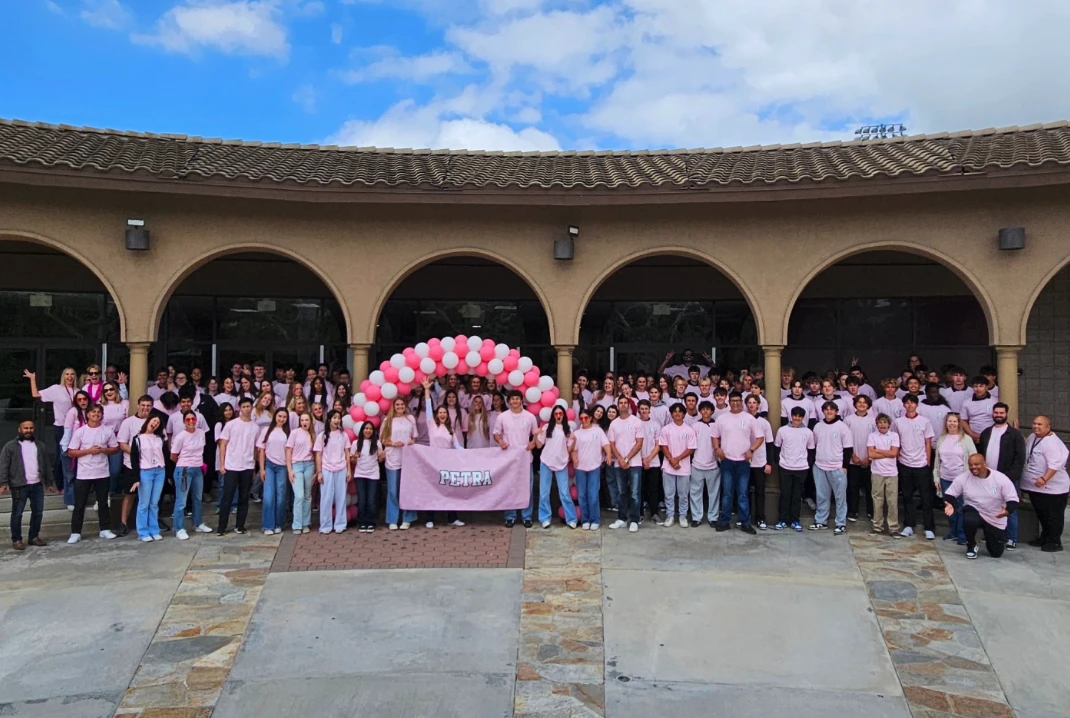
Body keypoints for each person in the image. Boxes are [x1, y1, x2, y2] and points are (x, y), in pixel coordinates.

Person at [942, 454, 1019, 559]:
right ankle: (971, 545)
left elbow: (1013, 499)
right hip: (975, 511)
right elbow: (951, 493)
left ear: (984, 464)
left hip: (995, 516)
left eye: (976, 464)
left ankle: (990, 537)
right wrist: (950, 503)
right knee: (968, 517)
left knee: (996, 553)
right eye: (970, 465)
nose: (973, 467)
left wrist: (1007, 511)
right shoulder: (963, 478)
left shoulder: (1000, 478)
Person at [66, 403, 119, 544]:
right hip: (84, 474)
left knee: (102, 503)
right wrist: (88, 451)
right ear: (87, 414)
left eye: (99, 412)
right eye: (93, 412)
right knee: (79, 505)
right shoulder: (80, 432)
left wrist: (104, 450)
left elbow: (115, 448)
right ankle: (76, 532)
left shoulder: (107, 431)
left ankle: (105, 529)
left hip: (102, 472)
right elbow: (71, 452)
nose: (96, 414)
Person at [712, 392, 764, 534]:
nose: (735, 403)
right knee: (727, 493)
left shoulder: (749, 419)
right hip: (727, 461)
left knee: (742, 494)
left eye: (737, 401)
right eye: (732, 401)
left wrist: (751, 450)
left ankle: (745, 523)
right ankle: (724, 521)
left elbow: (760, 438)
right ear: (729, 401)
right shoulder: (722, 418)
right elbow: (714, 436)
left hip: (743, 462)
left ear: (741, 402)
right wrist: (717, 449)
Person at [976, 403, 1026, 550]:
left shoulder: (1015, 434)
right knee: (988, 507)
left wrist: (1011, 477)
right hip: (988, 478)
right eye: (996, 412)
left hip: (1007, 478)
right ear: (993, 414)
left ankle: (1011, 538)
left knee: (1010, 508)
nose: (998, 415)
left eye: (1001, 413)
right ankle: (991, 534)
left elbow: (1020, 459)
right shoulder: (986, 432)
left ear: (1006, 414)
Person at [0, 420, 53, 550]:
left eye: (30, 428)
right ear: (19, 430)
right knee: (17, 513)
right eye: (25, 428)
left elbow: (46, 464)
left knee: (38, 512)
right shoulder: (10, 446)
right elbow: (4, 465)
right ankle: (16, 539)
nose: (28, 430)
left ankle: (34, 537)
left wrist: (49, 482)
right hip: (19, 485)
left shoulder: (40, 445)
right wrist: (3, 483)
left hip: (37, 484)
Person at [24, 367, 78, 493]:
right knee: (61, 455)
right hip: (61, 427)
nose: (69, 377)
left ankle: (71, 484)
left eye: (72, 374)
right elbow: (35, 394)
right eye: (67, 374)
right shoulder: (56, 389)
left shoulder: (78, 391)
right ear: (63, 376)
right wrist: (32, 379)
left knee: (72, 456)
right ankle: (60, 485)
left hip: (75, 428)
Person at [420, 377, 464, 528]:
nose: (443, 414)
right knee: (432, 489)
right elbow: (428, 405)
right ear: (437, 414)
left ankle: (452, 518)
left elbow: (457, 446)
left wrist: (473, 454)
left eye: (445, 412)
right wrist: (426, 390)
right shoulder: (431, 425)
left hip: (448, 463)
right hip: (434, 462)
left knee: (450, 490)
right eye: (440, 412)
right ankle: (430, 518)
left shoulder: (451, 429)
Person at [1022, 415, 1068, 552]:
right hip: (1036, 488)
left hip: (1053, 488)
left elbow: (1055, 464)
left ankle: (1054, 541)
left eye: (1040, 424)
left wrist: (1044, 479)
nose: (1036, 426)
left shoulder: (1052, 442)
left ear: (1048, 427)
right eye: (1034, 423)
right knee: (1042, 514)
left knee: (1053, 516)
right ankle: (1045, 536)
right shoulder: (1033, 437)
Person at [893, 394, 937, 539]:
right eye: (907, 403)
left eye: (912, 403)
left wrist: (928, 462)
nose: (910, 405)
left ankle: (929, 527)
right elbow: (896, 441)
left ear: (917, 405)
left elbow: (928, 443)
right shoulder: (898, 422)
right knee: (907, 496)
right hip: (905, 463)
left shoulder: (925, 421)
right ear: (904, 405)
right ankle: (908, 525)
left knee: (926, 497)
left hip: (921, 463)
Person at [494, 389, 539, 529]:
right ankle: (510, 516)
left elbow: (536, 433)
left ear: (521, 401)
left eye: (517, 399)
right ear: (508, 402)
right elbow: (496, 433)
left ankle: (526, 516)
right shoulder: (502, 416)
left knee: (527, 488)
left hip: (526, 458)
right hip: (509, 459)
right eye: (512, 399)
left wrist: (533, 442)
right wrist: (500, 442)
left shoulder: (530, 417)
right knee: (510, 487)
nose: (515, 401)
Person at [216, 396, 260, 536]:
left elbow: (255, 448)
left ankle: (240, 525)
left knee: (244, 497)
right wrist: (222, 464)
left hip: (247, 466)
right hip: (231, 465)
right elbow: (223, 444)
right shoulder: (231, 424)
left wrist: (253, 467)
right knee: (227, 497)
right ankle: (221, 527)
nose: (247, 409)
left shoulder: (255, 427)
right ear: (240, 409)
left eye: (249, 406)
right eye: (244, 407)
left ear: (252, 408)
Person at [932, 413, 976, 545]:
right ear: (946, 423)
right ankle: (953, 531)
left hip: (962, 479)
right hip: (945, 478)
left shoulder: (966, 439)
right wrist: (937, 478)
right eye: (949, 421)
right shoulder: (942, 439)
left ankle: (963, 535)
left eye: (955, 421)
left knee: (962, 507)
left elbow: (973, 457)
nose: (952, 424)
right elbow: (937, 461)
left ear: (959, 423)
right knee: (949, 507)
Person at [810, 401, 853, 534]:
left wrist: (845, 466)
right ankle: (820, 521)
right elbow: (813, 446)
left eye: (832, 410)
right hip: (820, 466)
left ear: (836, 411)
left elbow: (848, 448)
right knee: (822, 496)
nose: (829, 412)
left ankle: (840, 524)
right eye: (826, 409)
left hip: (837, 467)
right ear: (823, 411)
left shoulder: (842, 427)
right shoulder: (818, 426)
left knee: (840, 498)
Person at [170, 410, 212, 539]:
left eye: (193, 419)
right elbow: (173, 456)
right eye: (188, 420)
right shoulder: (180, 436)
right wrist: (184, 464)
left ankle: (198, 523)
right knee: (181, 500)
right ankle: (179, 527)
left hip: (198, 468)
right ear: (184, 422)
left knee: (198, 497)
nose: (191, 422)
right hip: (184, 469)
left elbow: (201, 450)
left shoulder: (201, 433)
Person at [535, 405, 577, 530]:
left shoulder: (568, 429)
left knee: (564, 493)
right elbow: (538, 445)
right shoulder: (547, 427)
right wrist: (536, 435)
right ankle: (544, 518)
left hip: (562, 463)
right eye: (556, 413)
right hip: (546, 462)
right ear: (553, 415)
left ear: (564, 415)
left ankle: (571, 518)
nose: (558, 416)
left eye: (561, 413)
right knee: (544, 492)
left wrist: (573, 440)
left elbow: (569, 449)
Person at [774, 407, 815, 531]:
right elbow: (777, 447)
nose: (797, 418)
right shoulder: (783, 430)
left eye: (800, 416)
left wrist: (807, 463)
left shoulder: (808, 432)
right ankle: (782, 519)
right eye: (795, 416)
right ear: (791, 417)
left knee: (797, 496)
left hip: (801, 468)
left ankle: (795, 520)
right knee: (785, 495)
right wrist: (779, 461)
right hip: (785, 467)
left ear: (803, 418)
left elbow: (811, 450)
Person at [607, 396, 644, 533]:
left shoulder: (636, 422)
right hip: (619, 464)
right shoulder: (614, 424)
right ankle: (621, 519)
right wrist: (620, 459)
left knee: (635, 493)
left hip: (634, 463)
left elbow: (639, 443)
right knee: (622, 493)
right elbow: (612, 444)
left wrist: (627, 459)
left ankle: (634, 520)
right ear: (617, 406)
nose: (623, 405)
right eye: (620, 403)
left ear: (629, 405)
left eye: (625, 403)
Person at [571, 409, 611, 530]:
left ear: (590, 418)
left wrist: (608, 455)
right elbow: (574, 450)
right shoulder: (577, 433)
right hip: (580, 468)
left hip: (594, 466)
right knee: (582, 495)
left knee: (593, 495)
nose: (584, 420)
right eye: (581, 418)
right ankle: (585, 519)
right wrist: (574, 459)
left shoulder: (598, 431)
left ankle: (595, 519)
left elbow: (606, 444)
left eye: (586, 418)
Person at [381, 397, 417, 530]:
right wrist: (393, 444)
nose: (400, 406)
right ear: (393, 406)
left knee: (406, 489)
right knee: (392, 490)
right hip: (392, 459)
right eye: (397, 404)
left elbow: (414, 437)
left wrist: (412, 441)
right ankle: (392, 519)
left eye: (402, 404)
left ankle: (407, 518)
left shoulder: (410, 419)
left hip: (407, 459)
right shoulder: (387, 421)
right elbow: (383, 439)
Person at [659, 403, 697, 527]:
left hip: (684, 468)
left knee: (683, 494)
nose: (677, 414)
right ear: (671, 414)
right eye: (674, 411)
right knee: (669, 493)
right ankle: (670, 515)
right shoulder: (666, 429)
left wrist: (677, 459)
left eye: (680, 411)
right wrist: (671, 460)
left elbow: (691, 449)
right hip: (668, 467)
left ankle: (682, 516)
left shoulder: (689, 430)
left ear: (684, 414)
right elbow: (663, 446)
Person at [131, 413, 167, 542]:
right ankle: (143, 532)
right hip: (145, 471)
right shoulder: (138, 439)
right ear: (148, 421)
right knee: (144, 503)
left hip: (160, 471)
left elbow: (166, 456)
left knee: (154, 503)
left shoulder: (160, 438)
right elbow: (134, 459)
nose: (155, 423)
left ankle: (154, 529)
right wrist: (136, 478)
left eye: (158, 423)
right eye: (154, 420)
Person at [256, 408, 291, 535]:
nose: (281, 419)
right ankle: (268, 525)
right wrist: (261, 469)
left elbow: (289, 452)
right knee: (269, 496)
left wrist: (289, 469)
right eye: (279, 416)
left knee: (281, 497)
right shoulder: (266, 431)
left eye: (284, 417)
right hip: (269, 465)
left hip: (282, 467)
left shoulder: (288, 433)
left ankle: (278, 523)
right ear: (275, 416)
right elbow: (261, 451)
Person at [317, 409, 351, 534]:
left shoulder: (344, 435)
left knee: (341, 497)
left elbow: (347, 453)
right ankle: (325, 525)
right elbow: (318, 454)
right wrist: (319, 471)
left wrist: (348, 470)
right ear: (329, 419)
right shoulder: (322, 436)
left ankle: (340, 524)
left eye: (339, 418)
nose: (337, 420)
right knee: (326, 498)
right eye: (335, 418)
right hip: (327, 469)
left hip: (341, 468)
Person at [867, 414, 902, 536]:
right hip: (877, 473)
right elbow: (871, 455)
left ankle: (893, 528)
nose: (882, 425)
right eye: (880, 422)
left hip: (891, 473)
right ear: (876, 424)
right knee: (877, 500)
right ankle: (877, 526)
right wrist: (885, 452)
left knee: (892, 501)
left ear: (889, 424)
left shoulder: (894, 435)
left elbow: (894, 453)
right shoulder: (872, 436)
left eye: (884, 422)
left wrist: (878, 450)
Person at [844, 395, 876, 523]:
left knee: (870, 487)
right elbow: (845, 440)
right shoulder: (848, 420)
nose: (862, 404)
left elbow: (877, 440)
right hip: (854, 460)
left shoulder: (873, 421)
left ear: (868, 405)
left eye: (864, 403)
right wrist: (852, 455)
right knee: (853, 487)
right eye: (859, 402)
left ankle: (871, 511)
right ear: (855, 404)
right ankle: (853, 511)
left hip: (869, 460)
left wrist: (869, 457)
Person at [285, 413, 319, 534]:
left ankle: (306, 523)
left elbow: (315, 453)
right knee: (299, 495)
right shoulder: (294, 433)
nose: (305, 422)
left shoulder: (313, 434)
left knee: (307, 495)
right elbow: (288, 451)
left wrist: (316, 470)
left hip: (309, 464)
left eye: (307, 420)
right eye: (302, 420)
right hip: (296, 465)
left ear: (311, 421)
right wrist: (290, 470)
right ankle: (297, 524)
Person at [688, 400, 720, 528]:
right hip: (697, 463)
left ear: (712, 411)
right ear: (700, 411)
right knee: (695, 492)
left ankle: (713, 517)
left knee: (714, 493)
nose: (706, 411)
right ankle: (696, 517)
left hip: (713, 464)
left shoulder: (717, 426)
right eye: (703, 409)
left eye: (708, 409)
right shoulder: (695, 426)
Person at [746, 394, 774, 530]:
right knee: (743, 491)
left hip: (760, 462)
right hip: (744, 462)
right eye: (749, 402)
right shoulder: (743, 419)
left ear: (758, 405)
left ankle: (760, 518)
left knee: (760, 492)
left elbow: (769, 444)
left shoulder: (764, 423)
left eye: (754, 402)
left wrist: (769, 463)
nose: (751, 405)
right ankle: (744, 518)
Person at [352, 421, 384, 533]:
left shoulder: (377, 443)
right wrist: (354, 458)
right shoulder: (356, 443)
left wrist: (381, 456)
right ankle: (361, 522)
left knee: (371, 500)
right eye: (366, 428)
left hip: (373, 474)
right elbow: (352, 460)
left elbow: (380, 460)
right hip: (360, 474)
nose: (368, 431)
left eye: (370, 429)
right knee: (362, 500)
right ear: (362, 430)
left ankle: (370, 522)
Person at [637, 399, 663, 523]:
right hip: (637, 461)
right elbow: (635, 443)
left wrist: (648, 459)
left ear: (649, 410)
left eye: (646, 409)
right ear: (638, 410)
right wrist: (642, 459)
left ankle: (654, 513)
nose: (644, 411)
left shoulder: (656, 425)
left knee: (653, 489)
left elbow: (658, 445)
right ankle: (640, 513)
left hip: (653, 461)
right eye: (642, 409)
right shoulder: (635, 423)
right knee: (639, 489)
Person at [960, 376, 997, 442]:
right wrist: (971, 434)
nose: (978, 389)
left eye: (981, 386)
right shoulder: (966, 402)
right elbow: (963, 420)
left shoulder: (995, 401)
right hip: (972, 438)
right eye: (975, 386)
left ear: (986, 387)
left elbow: (998, 418)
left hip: (992, 437)